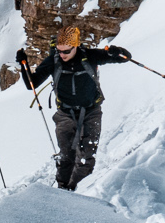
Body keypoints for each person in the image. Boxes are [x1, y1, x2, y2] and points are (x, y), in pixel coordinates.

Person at [18, 26, 131, 190]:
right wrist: (24, 64)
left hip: (91, 112)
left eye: (66, 51)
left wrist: (117, 51)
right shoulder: (54, 60)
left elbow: (125, 57)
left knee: (86, 158)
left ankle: (76, 189)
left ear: (76, 45)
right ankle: (62, 189)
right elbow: (31, 84)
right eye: (59, 50)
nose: (62, 55)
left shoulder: (90, 56)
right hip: (65, 113)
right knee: (66, 156)